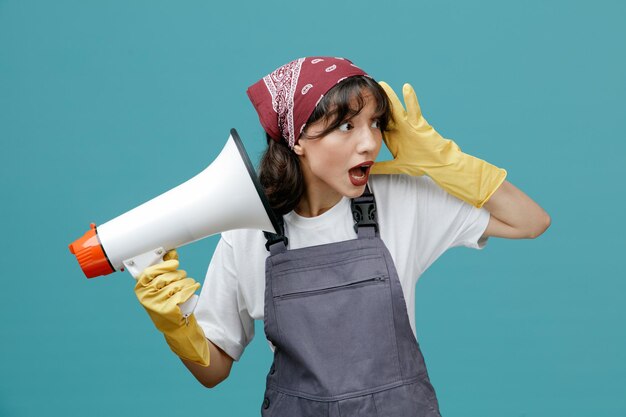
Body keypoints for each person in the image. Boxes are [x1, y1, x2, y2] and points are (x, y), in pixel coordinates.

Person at [134, 57, 550, 416]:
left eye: (375, 124)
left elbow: (530, 221)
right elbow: (215, 368)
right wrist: (176, 319)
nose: (370, 143)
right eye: (347, 126)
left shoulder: (399, 202)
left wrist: (446, 161)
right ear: (297, 138)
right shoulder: (247, 231)